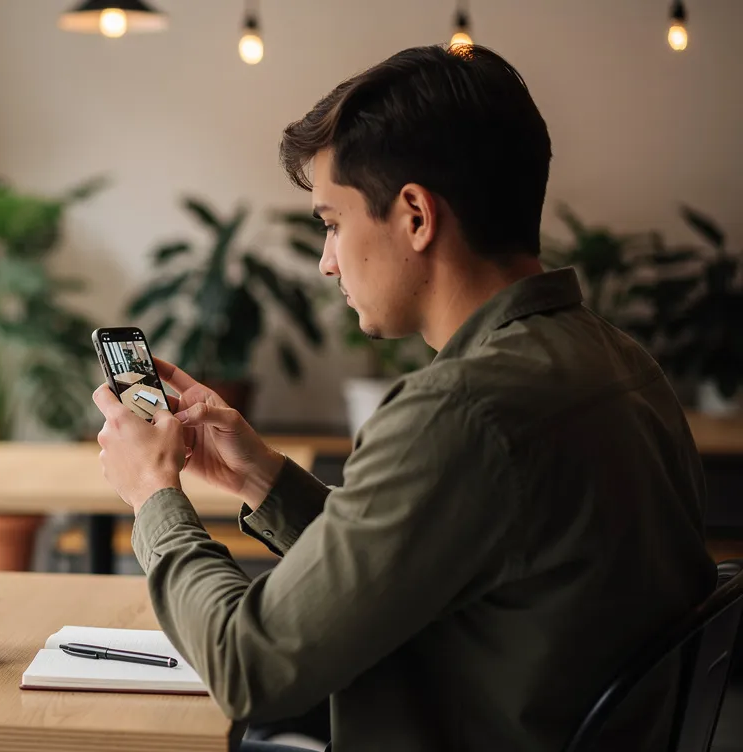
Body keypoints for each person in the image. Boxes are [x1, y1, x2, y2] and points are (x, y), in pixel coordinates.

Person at [92, 44, 716, 752]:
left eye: (332, 223)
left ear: (416, 215)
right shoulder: (620, 363)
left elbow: (248, 666)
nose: (327, 262)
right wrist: (260, 477)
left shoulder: (461, 412)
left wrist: (154, 496)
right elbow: (422, 552)